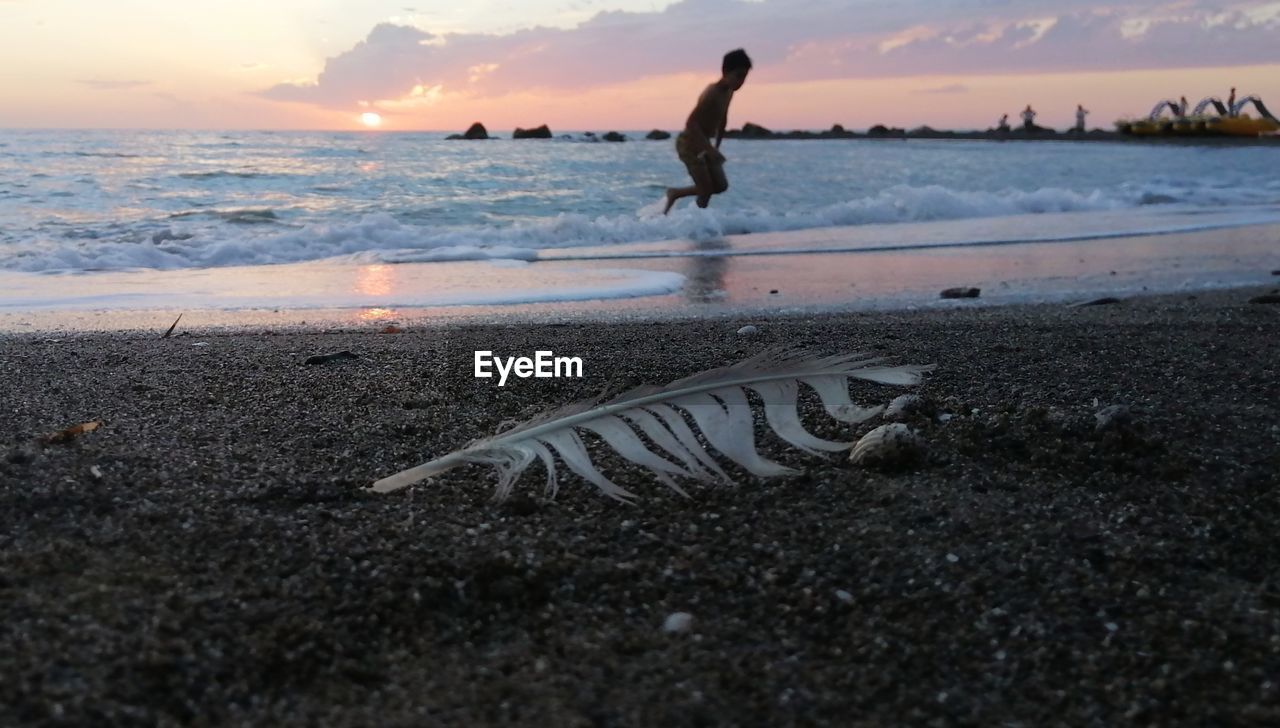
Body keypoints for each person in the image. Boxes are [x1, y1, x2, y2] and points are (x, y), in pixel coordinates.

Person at [663, 49, 751, 214]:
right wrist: (709, 149)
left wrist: (716, 147)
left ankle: (676, 193)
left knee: (720, 186)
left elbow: (723, 120)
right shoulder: (712, 92)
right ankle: (696, 220)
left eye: (745, 77)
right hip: (688, 143)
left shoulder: (729, 92)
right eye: (738, 75)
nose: (741, 81)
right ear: (725, 72)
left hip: (704, 144)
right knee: (705, 189)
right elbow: (691, 123)